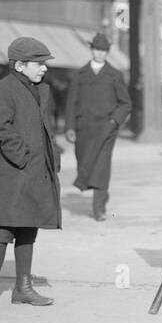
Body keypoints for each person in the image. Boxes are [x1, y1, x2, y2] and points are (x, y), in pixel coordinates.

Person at [0, 37, 62, 314]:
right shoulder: (2, 89)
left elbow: (45, 126)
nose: (44, 69)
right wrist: (23, 156)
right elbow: (0, 129)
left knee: (29, 227)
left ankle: (23, 288)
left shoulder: (41, 90)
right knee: (2, 230)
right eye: (39, 64)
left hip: (37, 170)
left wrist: (51, 156)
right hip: (13, 171)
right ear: (20, 65)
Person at [65, 31, 131, 220]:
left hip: (106, 128)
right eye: (97, 49)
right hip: (83, 128)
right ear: (91, 50)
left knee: (101, 166)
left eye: (104, 50)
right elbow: (71, 102)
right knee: (85, 162)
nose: (100, 53)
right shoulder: (80, 74)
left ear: (108, 52)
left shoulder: (115, 75)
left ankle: (98, 207)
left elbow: (126, 103)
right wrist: (69, 127)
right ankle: (100, 194)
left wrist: (114, 121)